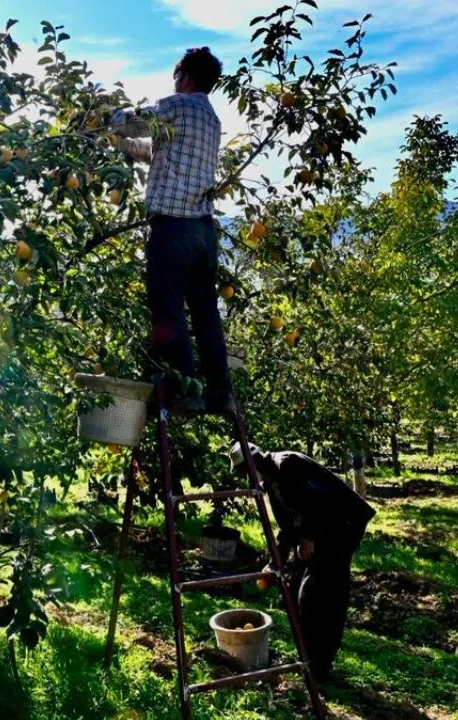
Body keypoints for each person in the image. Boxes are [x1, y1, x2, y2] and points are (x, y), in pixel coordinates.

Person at [110, 47, 232, 416]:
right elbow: (154, 149)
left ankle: (185, 390)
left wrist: (104, 117)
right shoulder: (210, 118)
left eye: (176, 75)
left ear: (185, 76)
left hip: (172, 228)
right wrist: (124, 147)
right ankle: (219, 392)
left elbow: (132, 122)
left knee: (167, 309)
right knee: (206, 313)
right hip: (202, 231)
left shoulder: (178, 105)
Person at [229, 442, 375, 681]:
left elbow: (324, 503)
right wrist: (275, 562)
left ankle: (319, 667)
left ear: (255, 462)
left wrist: (309, 536)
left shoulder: (288, 465)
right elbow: (287, 525)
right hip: (319, 534)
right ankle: (307, 659)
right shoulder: (272, 482)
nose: (249, 477)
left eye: (246, 471)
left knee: (319, 597)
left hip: (340, 529)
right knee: (296, 591)